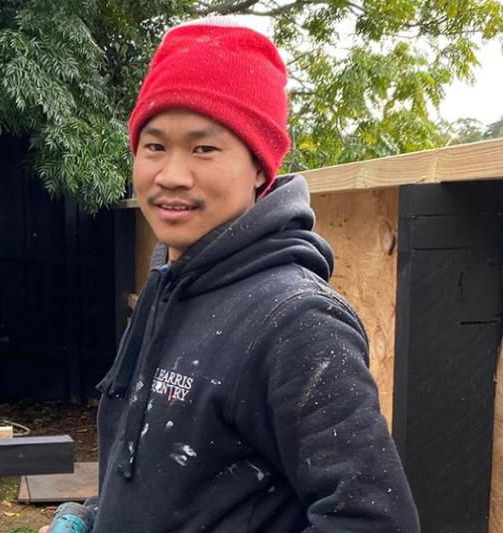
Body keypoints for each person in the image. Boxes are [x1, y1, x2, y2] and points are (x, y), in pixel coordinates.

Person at [41, 15, 419, 533]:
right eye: (155, 146)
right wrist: (94, 517)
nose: (171, 175)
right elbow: (172, 477)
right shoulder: (171, 282)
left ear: (260, 168)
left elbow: (372, 523)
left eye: (204, 148)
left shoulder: (296, 323)